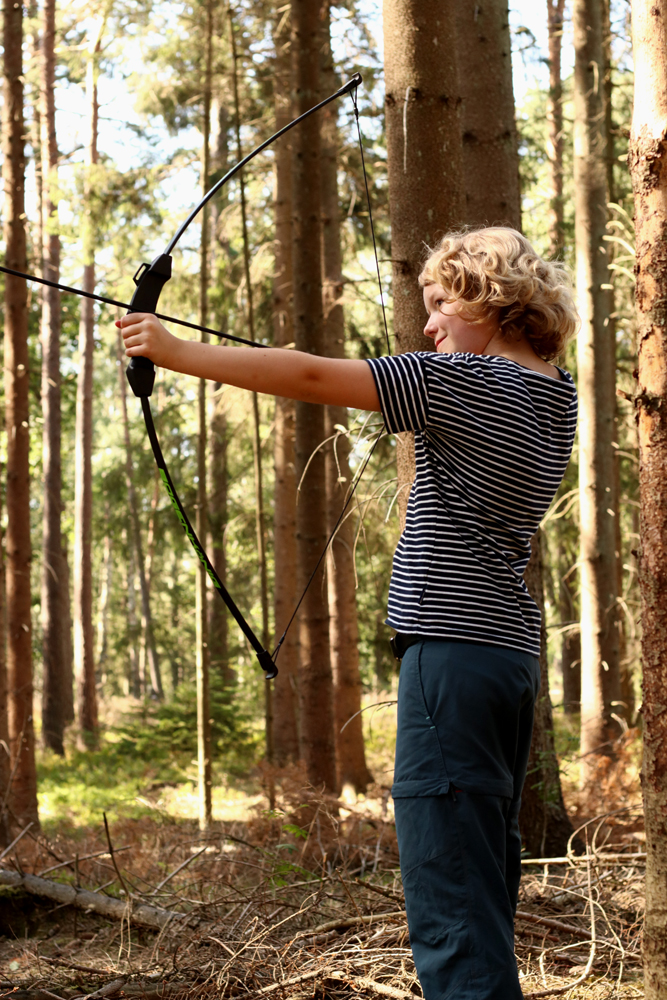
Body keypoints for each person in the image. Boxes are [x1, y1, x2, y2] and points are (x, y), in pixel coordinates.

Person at [120, 226, 578, 1000]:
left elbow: (305, 371)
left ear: (489, 300)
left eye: (439, 305)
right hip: (505, 659)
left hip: (450, 657)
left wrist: (174, 350)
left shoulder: (461, 385)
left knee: (450, 897)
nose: (427, 326)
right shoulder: (553, 393)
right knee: (479, 878)